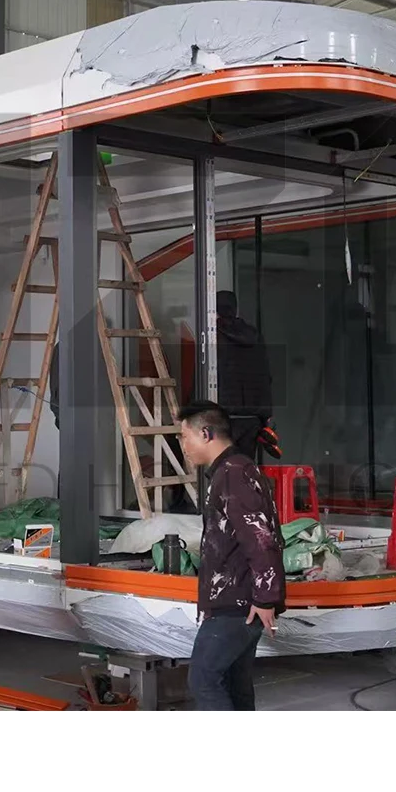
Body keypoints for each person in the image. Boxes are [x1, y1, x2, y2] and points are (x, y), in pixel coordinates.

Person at [177, 400, 286, 711]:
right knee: (235, 683)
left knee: (204, 679)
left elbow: (260, 538)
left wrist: (266, 598)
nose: (183, 445)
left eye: (185, 436)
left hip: (237, 603)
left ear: (206, 434)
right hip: (241, 600)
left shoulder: (233, 473)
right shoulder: (233, 470)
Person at [215, 291, 273, 461]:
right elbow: (265, 376)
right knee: (245, 466)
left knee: (223, 467)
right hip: (253, 416)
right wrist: (265, 414)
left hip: (225, 414)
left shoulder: (215, 336)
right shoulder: (254, 336)